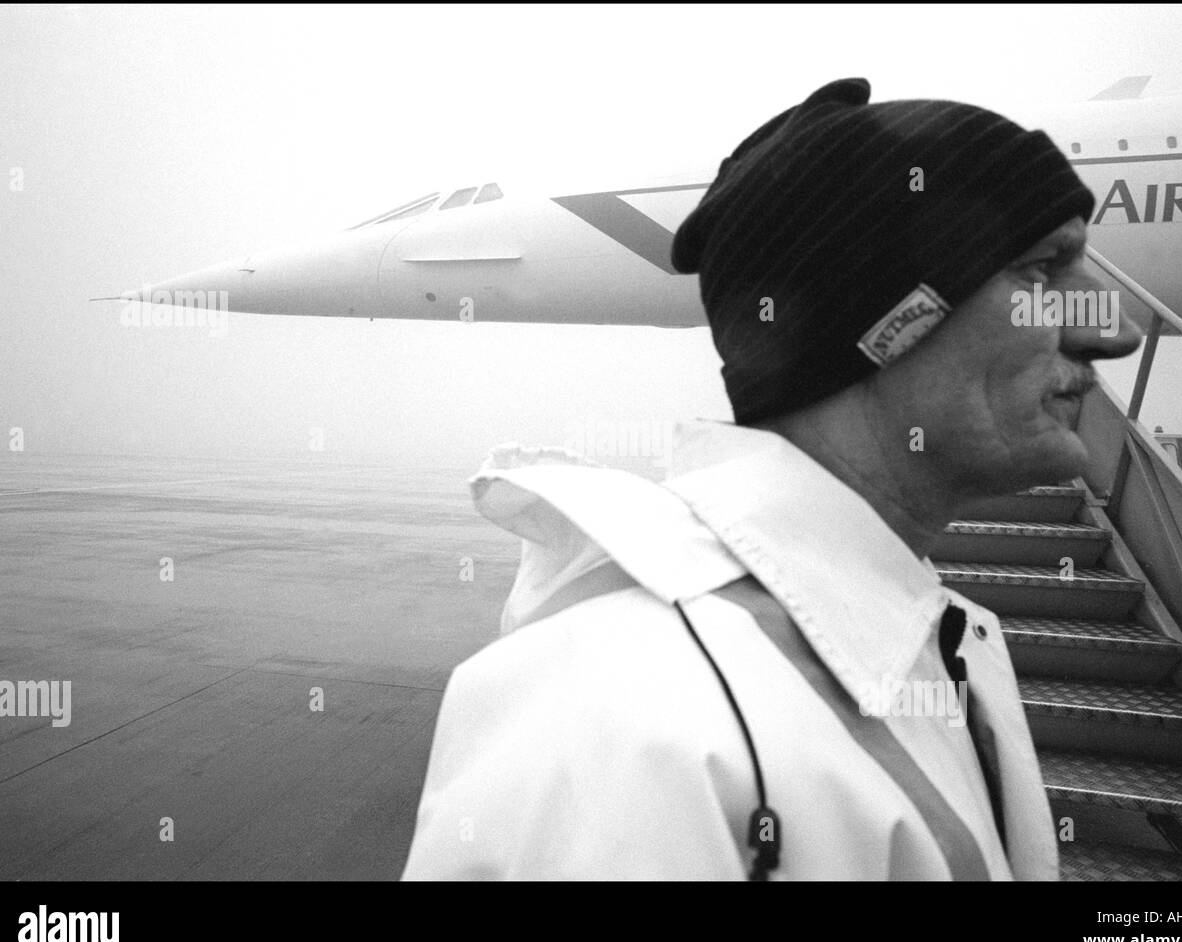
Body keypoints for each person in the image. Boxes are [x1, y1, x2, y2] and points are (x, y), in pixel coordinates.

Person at [402, 77, 1143, 881]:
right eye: (1043, 270)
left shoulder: (937, 644)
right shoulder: (634, 732)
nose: (1116, 329)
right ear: (889, 325)